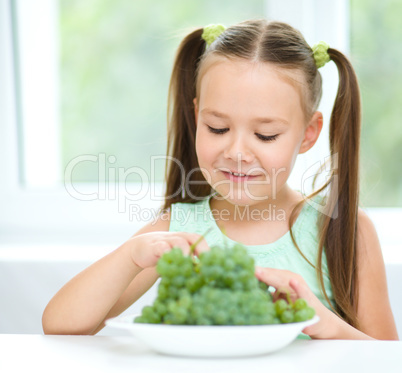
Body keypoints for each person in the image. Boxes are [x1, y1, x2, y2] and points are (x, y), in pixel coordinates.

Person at [42, 19, 398, 340]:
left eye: (266, 135)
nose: (238, 152)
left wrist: (328, 326)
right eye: (218, 128)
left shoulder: (342, 231)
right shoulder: (178, 230)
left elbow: (387, 360)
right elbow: (61, 326)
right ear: (197, 116)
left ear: (308, 134)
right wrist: (129, 256)